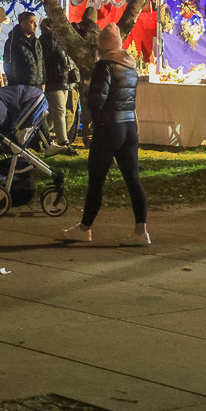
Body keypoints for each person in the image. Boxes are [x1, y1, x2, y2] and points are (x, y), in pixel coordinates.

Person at [62, 23, 148, 245]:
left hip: (110, 126)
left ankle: (84, 229)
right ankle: (141, 231)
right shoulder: (131, 67)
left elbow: (97, 100)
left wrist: (95, 119)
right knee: (133, 180)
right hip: (129, 126)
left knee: (96, 181)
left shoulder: (105, 67)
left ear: (102, 46)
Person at [39, 18, 78, 151]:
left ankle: (37, 136)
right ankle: (63, 142)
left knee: (53, 114)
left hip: (63, 79)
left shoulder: (60, 41)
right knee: (59, 111)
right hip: (54, 80)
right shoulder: (46, 41)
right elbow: (50, 62)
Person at [72, 7, 102, 145]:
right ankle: (89, 135)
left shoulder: (74, 30)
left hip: (75, 73)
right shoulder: (98, 33)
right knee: (90, 107)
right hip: (92, 74)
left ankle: (72, 135)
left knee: (73, 108)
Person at [3, 11, 44, 88]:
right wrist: (13, 82)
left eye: (35, 22)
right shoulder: (13, 41)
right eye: (31, 22)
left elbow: (41, 61)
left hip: (37, 85)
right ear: (22, 24)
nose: (35, 25)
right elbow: (7, 63)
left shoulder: (36, 41)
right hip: (21, 86)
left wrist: (43, 81)